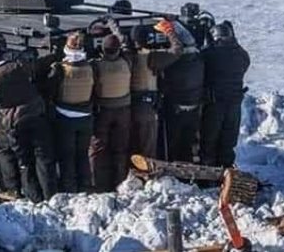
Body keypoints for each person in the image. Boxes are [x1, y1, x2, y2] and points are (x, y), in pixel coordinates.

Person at [0, 33, 57, 202]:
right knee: (44, 160)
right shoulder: (20, 66)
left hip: (15, 126)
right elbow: (39, 66)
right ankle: (51, 198)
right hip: (37, 117)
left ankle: (33, 200)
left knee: (25, 164)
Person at [47, 32, 96, 193]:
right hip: (86, 118)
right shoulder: (90, 67)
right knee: (82, 155)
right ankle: (86, 187)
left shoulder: (60, 69)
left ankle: (69, 190)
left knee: (67, 157)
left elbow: (51, 93)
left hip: (65, 118)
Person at [128, 23, 183, 159]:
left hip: (127, 107)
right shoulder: (151, 57)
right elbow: (177, 50)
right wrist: (169, 31)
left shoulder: (126, 54)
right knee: (148, 149)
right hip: (146, 107)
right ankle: (147, 177)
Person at [199, 22, 250, 167]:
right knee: (228, 139)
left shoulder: (211, 54)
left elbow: (201, 58)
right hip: (234, 103)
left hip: (216, 103)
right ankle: (227, 170)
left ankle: (208, 173)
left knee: (209, 139)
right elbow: (244, 61)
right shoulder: (241, 54)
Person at [155, 18, 204, 163]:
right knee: (187, 145)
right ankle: (188, 174)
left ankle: (172, 173)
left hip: (176, 109)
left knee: (172, 144)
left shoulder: (175, 64)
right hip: (193, 108)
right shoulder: (198, 61)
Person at [89, 33, 132, 192]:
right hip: (124, 110)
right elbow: (126, 43)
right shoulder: (127, 61)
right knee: (120, 149)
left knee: (97, 149)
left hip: (103, 110)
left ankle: (97, 184)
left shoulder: (97, 65)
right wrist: (115, 28)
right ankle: (120, 182)